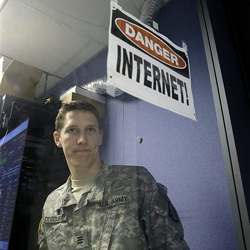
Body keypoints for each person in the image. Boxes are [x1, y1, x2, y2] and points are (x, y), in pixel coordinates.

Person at [38, 101, 189, 250]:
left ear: (100, 136)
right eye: (72, 130)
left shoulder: (136, 182)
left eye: (90, 130)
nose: (82, 140)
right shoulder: (52, 205)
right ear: (57, 139)